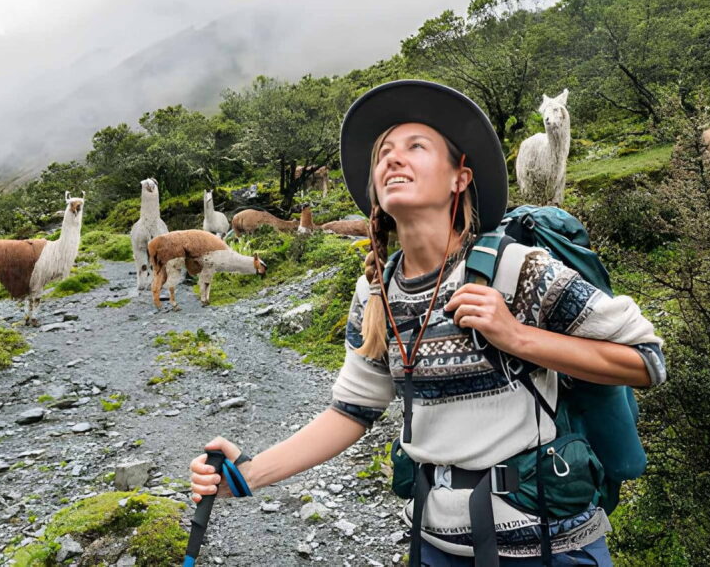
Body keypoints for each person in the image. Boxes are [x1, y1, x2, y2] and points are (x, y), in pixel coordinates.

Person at [189, 80, 667, 566]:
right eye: (384, 154)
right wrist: (247, 474)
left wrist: (516, 335)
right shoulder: (376, 293)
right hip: (435, 546)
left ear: (460, 177)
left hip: (545, 547)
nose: (392, 160)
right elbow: (350, 412)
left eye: (416, 147)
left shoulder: (516, 268)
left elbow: (646, 360)